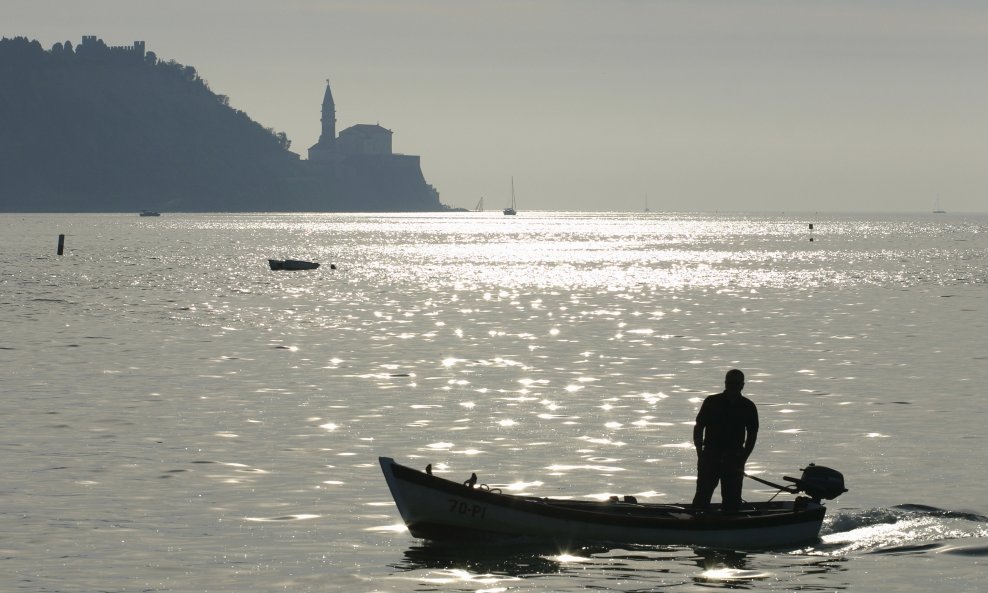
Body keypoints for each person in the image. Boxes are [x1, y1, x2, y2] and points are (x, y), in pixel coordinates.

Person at [691, 369, 758, 512]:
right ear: (725, 383)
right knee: (702, 498)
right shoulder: (711, 401)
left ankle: (730, 525)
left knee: (732, 501)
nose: (733, 386)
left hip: (734, 458)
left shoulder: (748, 406)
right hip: (710, 456)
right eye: (730, 382)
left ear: (742, 385)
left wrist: (743, 458)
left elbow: (752, 435)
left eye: (736, 383)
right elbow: (699, 427)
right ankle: (696, 524)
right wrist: (700, 452)